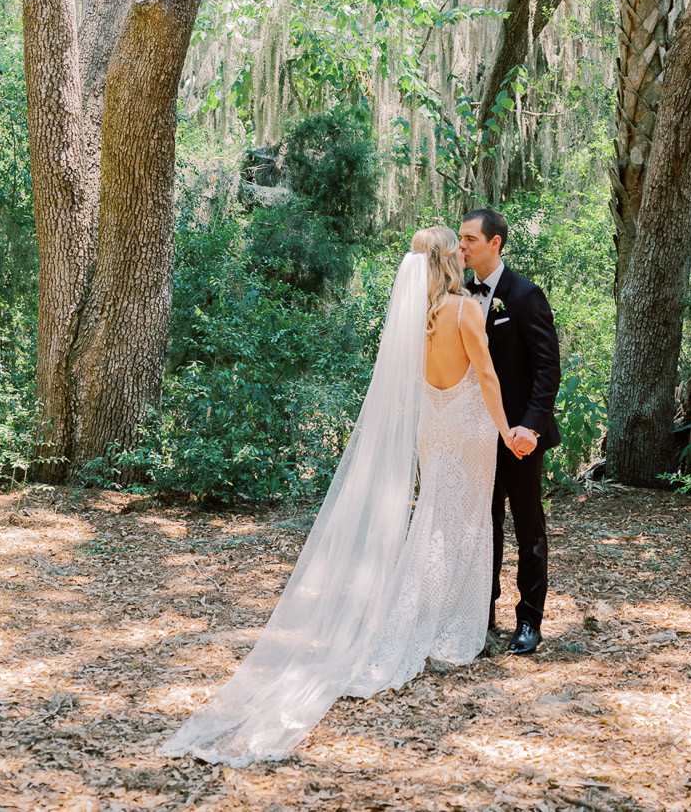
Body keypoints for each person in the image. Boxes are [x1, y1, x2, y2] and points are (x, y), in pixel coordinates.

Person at [159, 226, 514, 767]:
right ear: (448, 261)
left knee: (433, 523)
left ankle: (426, 621)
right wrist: (508, 430)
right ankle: (447, 629)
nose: (465, 255)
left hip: (433, 430)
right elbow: (486, 375)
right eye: (457, 249)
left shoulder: (412, 319)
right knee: (463, 525)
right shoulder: (465, 311)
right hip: (469, 430)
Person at [459, 208, 561, 657]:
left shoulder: (524, 295)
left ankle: (529, 620)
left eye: (469, 240)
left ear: (494, 243)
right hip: (472, 435)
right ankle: (481, 614)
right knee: (483, 527)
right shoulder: (456, 295)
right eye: (460, 239)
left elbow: (546, 368)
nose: (461, 247)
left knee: (527, 525)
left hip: (518, 436)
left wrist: (531, 427)